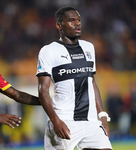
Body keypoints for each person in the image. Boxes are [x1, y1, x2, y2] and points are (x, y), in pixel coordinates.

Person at [36, 6, 112, 150]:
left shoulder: (89, 47)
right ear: (59, 25)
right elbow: (43, 89)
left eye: (78, 20)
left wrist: (102, 115)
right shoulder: (49, 51)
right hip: (64, 120)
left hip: (90, 122)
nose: (77, 23)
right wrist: (55, 120)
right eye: (71, 20)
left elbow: (92, 83)